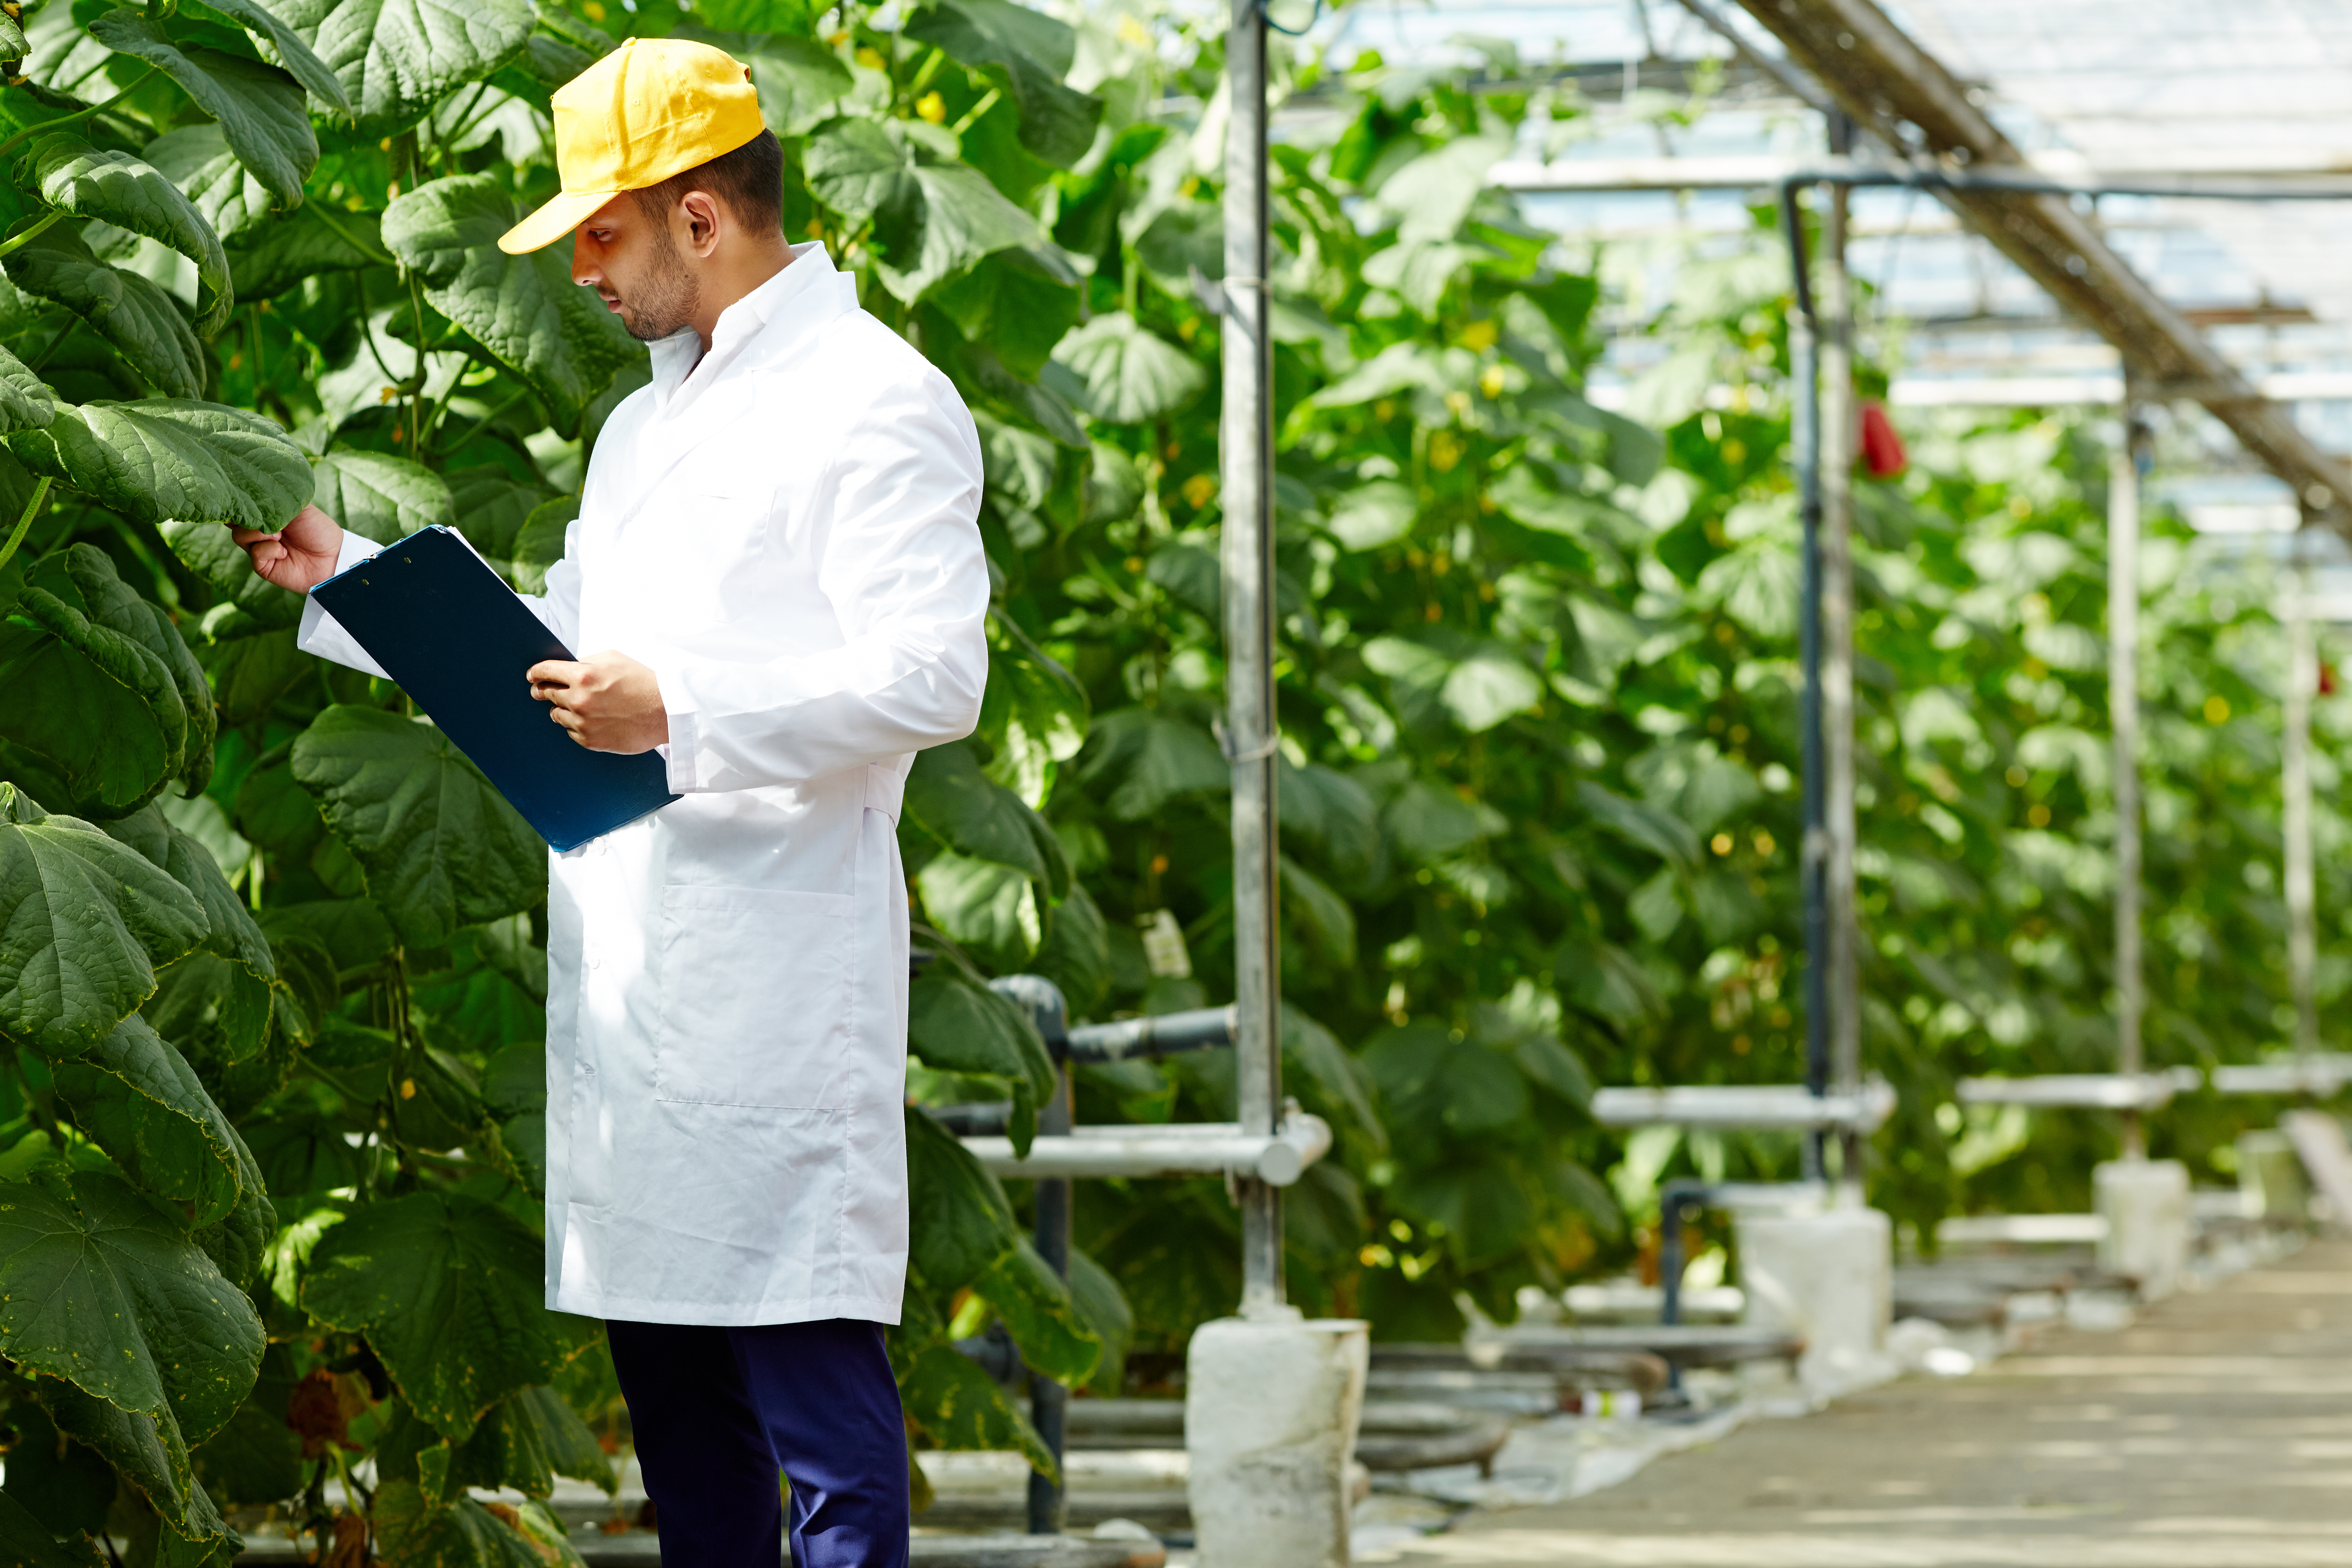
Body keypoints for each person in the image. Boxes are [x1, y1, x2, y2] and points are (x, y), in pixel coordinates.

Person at [233, 37, 988, 1568]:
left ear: (699, 216)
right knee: (685, 1429)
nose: (580, 270)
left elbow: (934, 679)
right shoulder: (643, 424)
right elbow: (557, 657)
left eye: (599, 231)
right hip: (641, 982)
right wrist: (354, 585)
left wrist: (684, 716)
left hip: (773, 985)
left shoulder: (873, 401)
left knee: (814, 1419)